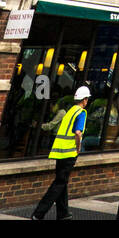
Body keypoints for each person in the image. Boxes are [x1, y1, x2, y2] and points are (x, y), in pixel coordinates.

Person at [31, 86, 91, 221]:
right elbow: (77, 132)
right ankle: (38, 213)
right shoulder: (81, 113)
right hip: (69, 152)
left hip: (59, 152)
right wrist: (78, 147)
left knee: (62, 181)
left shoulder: (70, 111)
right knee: (59, 183)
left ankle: (63, 213)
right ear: (85, 100)